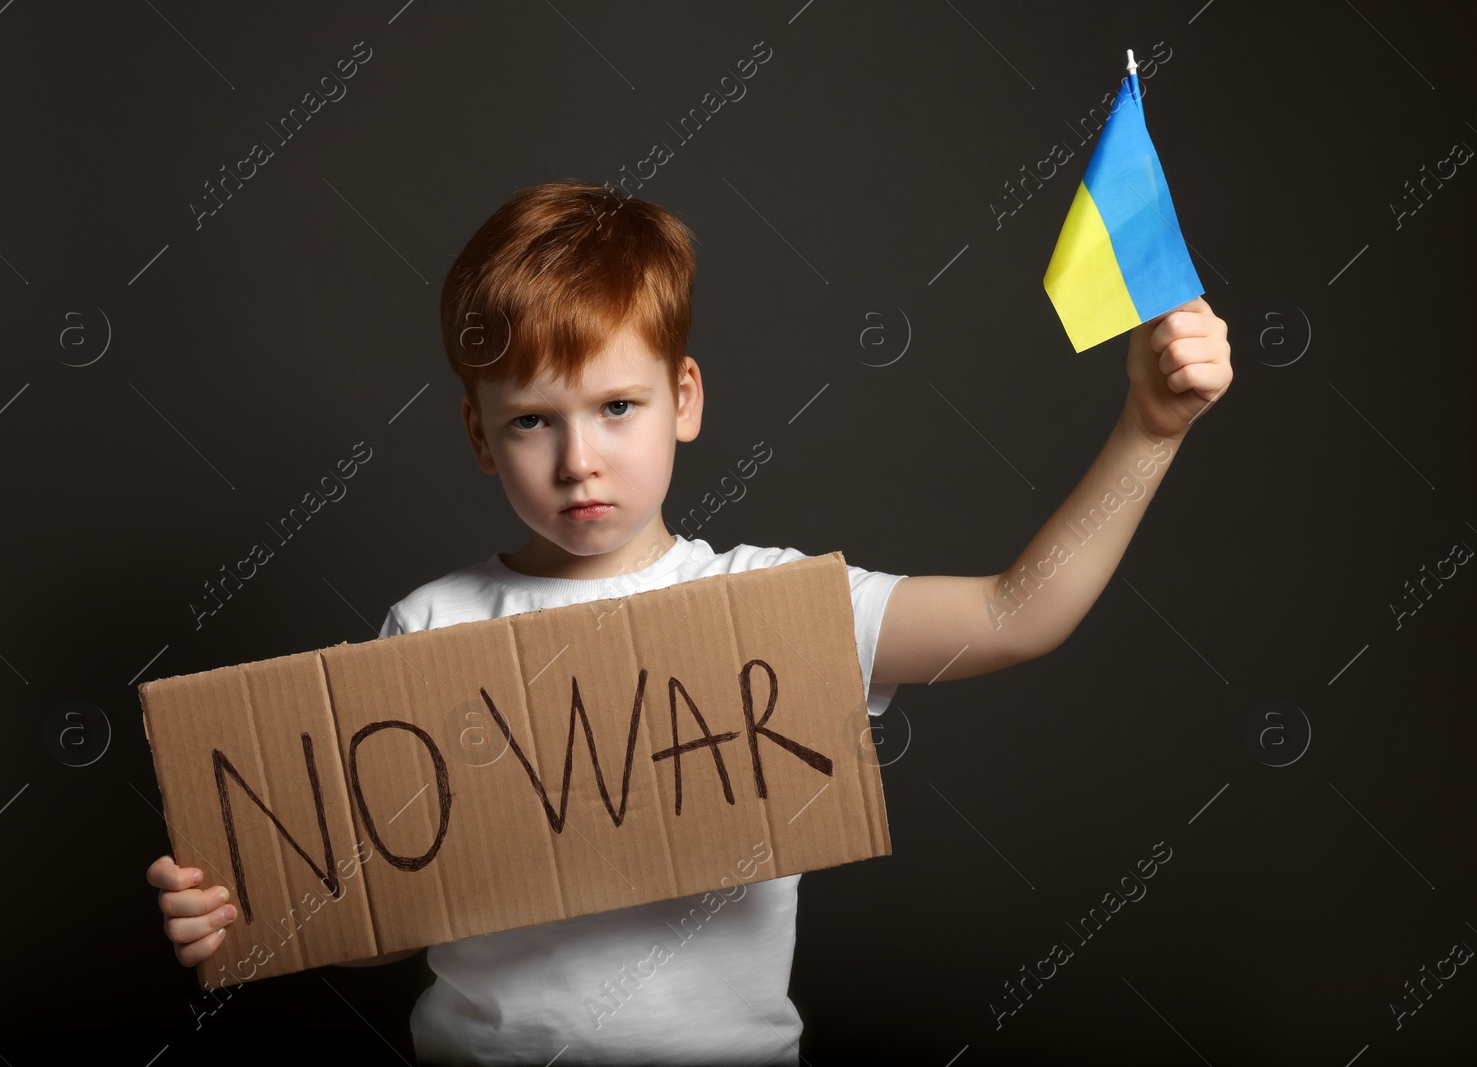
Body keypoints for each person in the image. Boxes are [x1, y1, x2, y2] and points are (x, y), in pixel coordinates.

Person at [147, 180, 1232, 1063]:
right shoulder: (429, 624)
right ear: (479, 436)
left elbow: (1013, 613)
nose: (578, 459)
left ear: (685, 398)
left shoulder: (771, 608)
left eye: (616, 406)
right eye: (531, 420)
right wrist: (258, 912)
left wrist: (1149, 427)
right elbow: (384, 905)